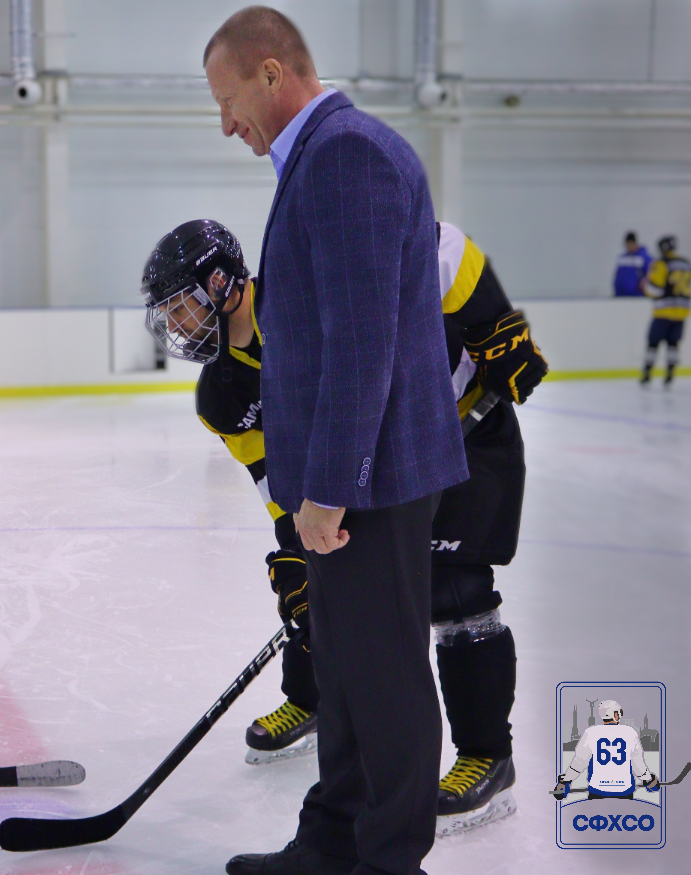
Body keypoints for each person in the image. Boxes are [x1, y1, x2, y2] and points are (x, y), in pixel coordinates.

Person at [141, 217, 546, 841]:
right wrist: (295, 550)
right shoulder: (221, 396)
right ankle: (311, 701)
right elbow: (277, 483)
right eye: (168, 315)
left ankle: (489, 759)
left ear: (222, 285)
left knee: (456, 595)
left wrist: (493, 321)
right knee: (320, 585)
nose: (178, 327)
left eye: (184, 308)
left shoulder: (308, 288)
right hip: (380, 465)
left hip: (465, 433)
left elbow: (438, 241)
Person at [202, 8, 469, 875]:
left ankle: (389, 858)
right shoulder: (322, 157)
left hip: (375, 478)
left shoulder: (347, 155)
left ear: (272, 72)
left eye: (228, 96)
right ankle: (331, 841)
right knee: (350, 671)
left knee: (382, 672)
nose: (225, 120)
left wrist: (329, 489)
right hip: (356, 472)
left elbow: (362, 343)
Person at [553, 700, 660, 801]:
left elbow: (580, 762)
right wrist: (648, 780)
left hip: (597, 789)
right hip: (624, 790)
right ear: (616, 715)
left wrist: (565, 781)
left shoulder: (591, 732)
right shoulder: (630, 732)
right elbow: (637, 764)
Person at [641, 234, 691, 386]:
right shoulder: (687, 263)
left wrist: (645, 287)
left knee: (652, 344)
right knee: (673, 344)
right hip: (682, 313)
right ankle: (670, 375)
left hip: (663, 312)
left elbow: (655, 289)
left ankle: (647, 374)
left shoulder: (661, 264)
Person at [613, 231, 649, 298]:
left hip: (638, 296)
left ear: (634, 243)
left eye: (630, 244)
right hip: (621, 296)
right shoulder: (622, 258)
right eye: (627, 244)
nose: (628, 246)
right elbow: (618, 275)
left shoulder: (644, 257)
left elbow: (650, 273)